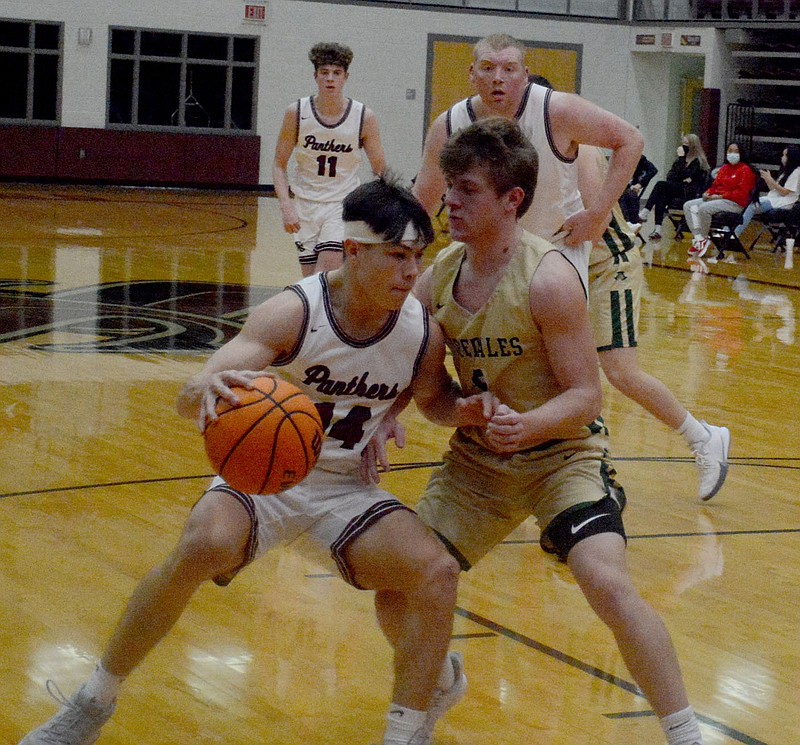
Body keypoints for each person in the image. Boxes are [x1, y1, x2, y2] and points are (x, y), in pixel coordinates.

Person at [17, 176, 490, 745]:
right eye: (397, 256)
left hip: (346, 488)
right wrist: (205, 390)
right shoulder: (293, 312)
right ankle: (92, 703)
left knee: (435, 572)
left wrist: (465, 412)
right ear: (355, 252)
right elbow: (191, 396)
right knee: (201, 545)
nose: (411, 272)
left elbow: (433, 396)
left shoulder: (421, 332)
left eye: (418, 256)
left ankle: (408, 732)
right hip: (263, 480)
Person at [377, 118, 706, 745]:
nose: (451, 202)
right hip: (478, 466)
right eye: (450, 188)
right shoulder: (435, 283)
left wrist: (527, 424)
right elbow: (432, 399)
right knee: (399, 586)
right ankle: (439, 678)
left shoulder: (550, 280)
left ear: (512, 201)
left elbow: (588, 397)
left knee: (607, 583)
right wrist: (453, 413)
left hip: (562, 458)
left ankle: (685, 732)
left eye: (467, 191)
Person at [412, 33, 643, 292]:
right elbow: (422, 203)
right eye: (488, 68)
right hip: (483, 251)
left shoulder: (558, 110)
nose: (497, 77)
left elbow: (631, 140)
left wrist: (596, 214)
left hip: (554, 248)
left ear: (525, 75)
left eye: (509, 69)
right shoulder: (448, 125)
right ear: (472, 73)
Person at [579, 145, 730, 500]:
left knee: (620, 372)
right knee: (558, 374)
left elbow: (593, 221)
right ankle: (589, 473)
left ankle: (703, 438)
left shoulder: (576, 149)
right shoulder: (518, 149)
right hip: (569, 270)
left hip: (606, 267)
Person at [272, 42, 386, 276]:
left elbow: (380, 169)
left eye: (336, 73)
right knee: (310, 278)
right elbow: (278, 165)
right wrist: (286, 206)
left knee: (326, 272)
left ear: (346, 77)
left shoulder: (363, 116)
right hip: (304, 206)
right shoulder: (297, 112)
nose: (330, 79)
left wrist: (375, 207)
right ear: (315, 76)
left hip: (341, 205)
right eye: (324, 73)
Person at [683, 141, 756, 259]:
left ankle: (703, 236)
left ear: (741, 153)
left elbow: (741, 193)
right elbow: (715, 186)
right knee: (688, 205)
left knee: (704, 208)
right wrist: (708, 193)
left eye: (736, 151)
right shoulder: (724, 168)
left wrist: (721, 196)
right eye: (730, 151)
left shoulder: (746, 170)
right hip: (717, 199)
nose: (732, 154)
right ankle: (699, 238)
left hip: (734, 203)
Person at [638, 134, 710, 240]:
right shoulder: (680, 160)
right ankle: (657, 229)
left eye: (686, 144)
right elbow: (670, 176)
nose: (684, 146)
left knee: (660, 184)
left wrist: (682, 162)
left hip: (689, 192)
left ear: (693, 145)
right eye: (683, 143)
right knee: (661, 195)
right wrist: (683, 176)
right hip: (678, 188)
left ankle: (645, 212)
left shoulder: (698, 161)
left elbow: (686, 175)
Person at [734, 144, 800, 239]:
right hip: (772, 199)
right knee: (743, 203)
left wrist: (771, 180)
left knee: (751, 207)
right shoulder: (786, 171)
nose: (783, 158)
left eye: (785, 155)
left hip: (783, 202)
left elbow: (784, 192)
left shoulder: (796, 172)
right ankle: (727, 230)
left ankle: (735, 233)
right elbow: (773, 190)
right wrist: (768, 180)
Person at [619, 153, 658, 228]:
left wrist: (641, 183)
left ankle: (629, 222)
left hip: (629, 187)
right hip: (618, 186)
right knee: (622, 195)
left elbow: (653, 170)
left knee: (628, 195)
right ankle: (626, 221)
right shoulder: (619, 157)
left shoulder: (640, 159)